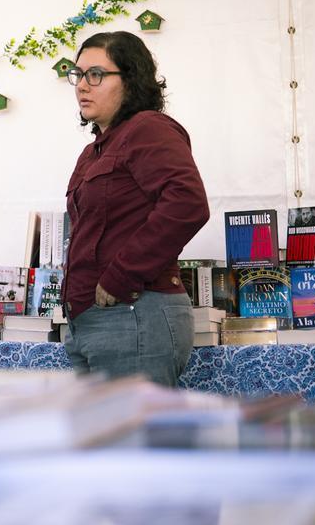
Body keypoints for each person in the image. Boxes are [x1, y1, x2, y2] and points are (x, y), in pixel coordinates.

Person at [62, 31, 209, 386]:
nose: (82, 85)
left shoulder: (148, 128)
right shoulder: (94, 149)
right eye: (77, 74)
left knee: (137, 440)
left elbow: (187, 203)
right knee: (104, 440)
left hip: (133, 315)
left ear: (130, 79)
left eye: (96, 74)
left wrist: (121, 275)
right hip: (91, 323)